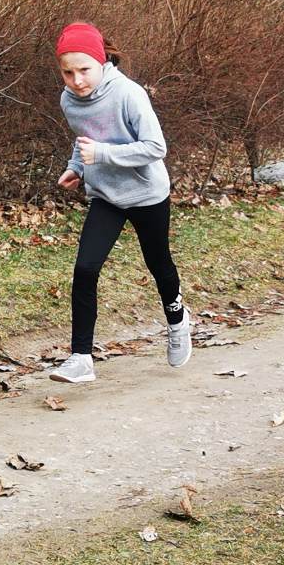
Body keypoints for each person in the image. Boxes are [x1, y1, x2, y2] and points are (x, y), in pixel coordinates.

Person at [48, 22, 191, 383]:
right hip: (106, 195)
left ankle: (177, 320)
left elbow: (156, 148)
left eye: (85, 70)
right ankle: (81, 357)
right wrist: (76, 166)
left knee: (158, 264)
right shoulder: (69, 100)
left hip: (145, 193)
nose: (77, 80)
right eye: (68, 72)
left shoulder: (129, 94)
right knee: (85, 269)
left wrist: (103, 155)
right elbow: (85, 139)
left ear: (101, 62)